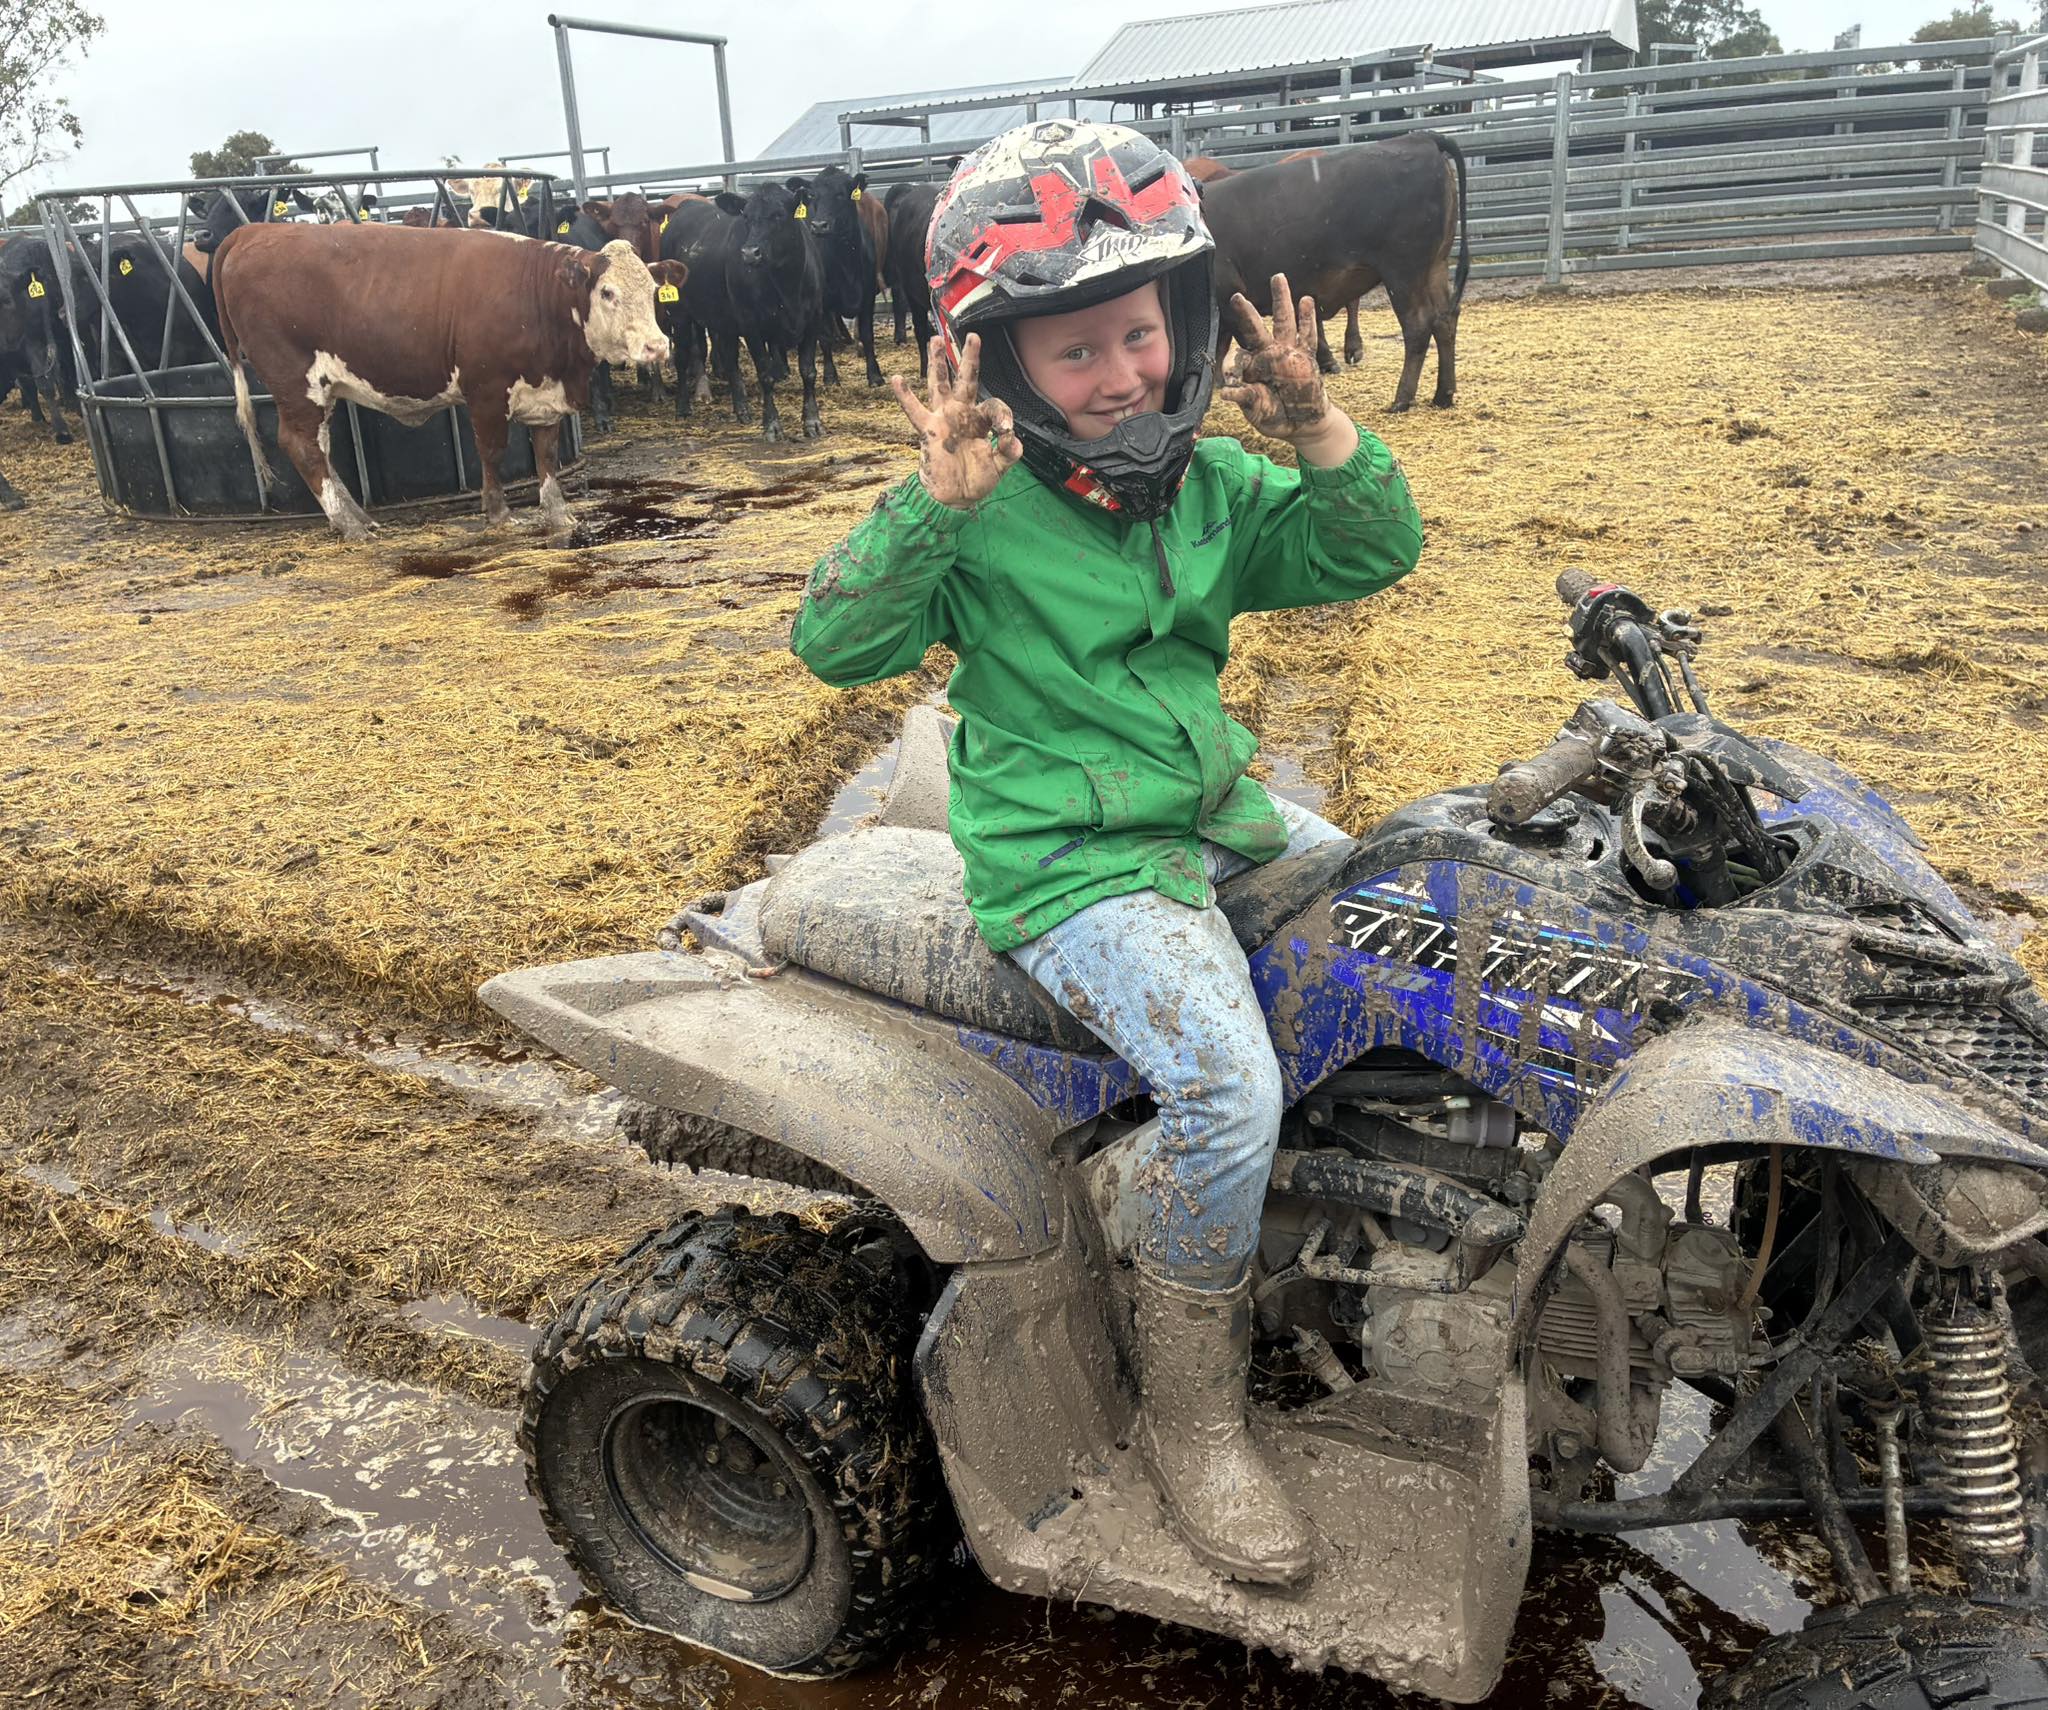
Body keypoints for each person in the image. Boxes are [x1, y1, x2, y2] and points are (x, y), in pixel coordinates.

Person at [791, 121, 1423, 1587]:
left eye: (1138, 332)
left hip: (1213, 823)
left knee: (1406, 904)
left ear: (1187, 322)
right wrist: (922, 511)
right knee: (1225, 1079)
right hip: (1073, 867)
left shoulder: (1209, 490)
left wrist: (1318, 423)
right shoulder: (984, 512)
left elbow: (1370, 548)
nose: (1122, 373)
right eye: (1074, 354)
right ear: (1005, 369)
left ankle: (1343, 1225)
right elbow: (834, 641)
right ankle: (1190, 1412)